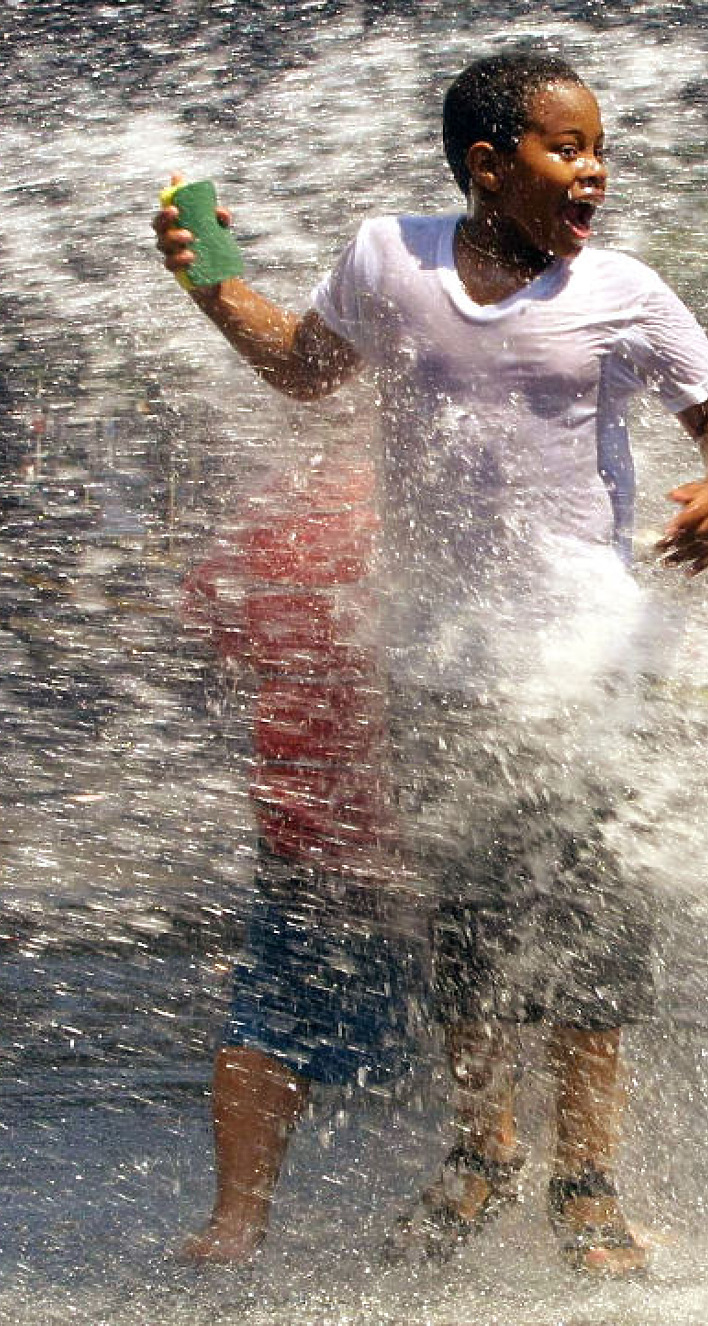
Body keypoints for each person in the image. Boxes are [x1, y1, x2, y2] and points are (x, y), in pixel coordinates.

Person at [153, 49, 708, 1273]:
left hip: (590, 663)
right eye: (564, 149)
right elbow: (303, 370)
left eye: (598, 148)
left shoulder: (625, 292)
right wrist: (212, 280)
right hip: (437, 667)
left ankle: (586, 1183)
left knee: (593, 933)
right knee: (469, 935)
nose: (592, 169)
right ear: (488, 166)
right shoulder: (391, 259)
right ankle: (484, 1151)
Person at [175, 457, 413, 1265]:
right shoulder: (447, 497)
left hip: (307, 808)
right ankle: (572, 1193)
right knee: (512, 1006)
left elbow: (213, 624)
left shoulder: (278, 498)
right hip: (433, 810)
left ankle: (236, 1222)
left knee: (271, 1016)